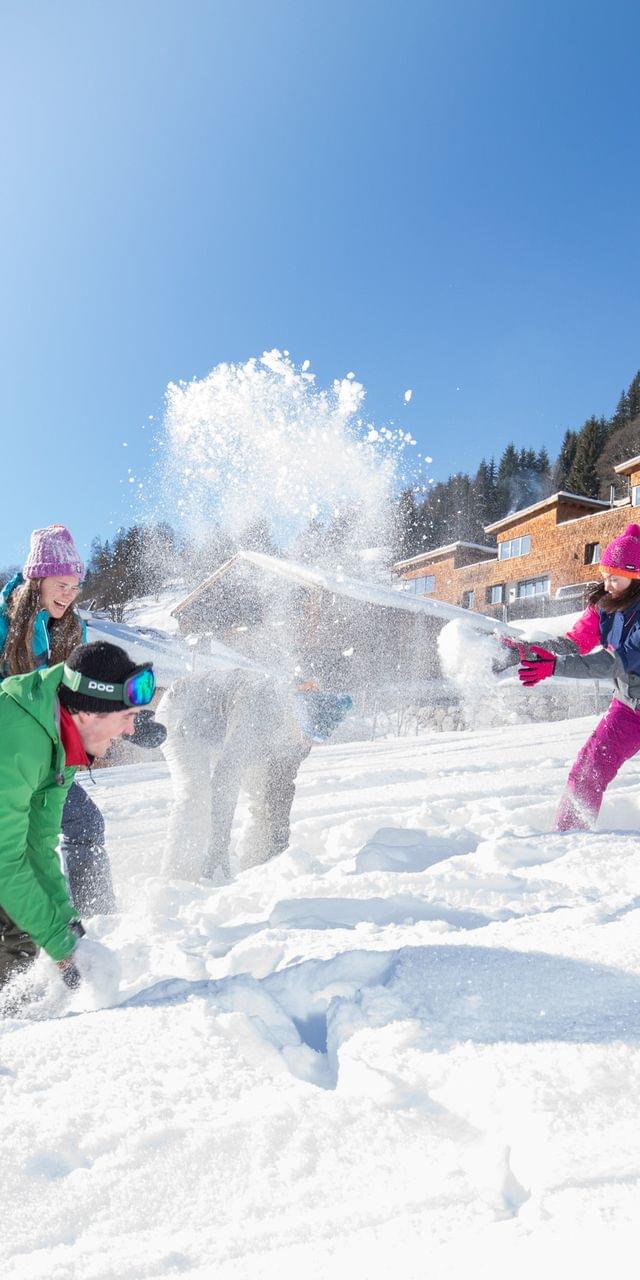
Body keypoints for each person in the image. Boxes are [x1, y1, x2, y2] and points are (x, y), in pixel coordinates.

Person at [0, 523, 165, 915]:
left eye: (75, 586)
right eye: (61, 584)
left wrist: (130, 722)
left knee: (85, 825)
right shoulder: (4, 625)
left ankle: (97, 920)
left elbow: (87, 691)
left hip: (47, 756)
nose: (69, 594)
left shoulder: (74, 629)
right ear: (36, 579)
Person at [0, 640, 156, 993]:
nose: (131, 731)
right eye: (126, 718)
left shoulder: (62, 736)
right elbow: (5, 862)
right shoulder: (18, 739)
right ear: (88, 713)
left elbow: (37, 845)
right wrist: (61, 943)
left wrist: (70, 930)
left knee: (23, 924)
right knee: (14, 917)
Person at [157, 669, 352, 880]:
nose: (306, 744)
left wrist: (279, 851)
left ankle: (255, 872)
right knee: (196, 794)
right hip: (183, 710)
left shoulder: (299, 739)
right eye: (306, 735)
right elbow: (226, 777)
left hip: (222, 728)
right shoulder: (258, 706)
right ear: (296, 714)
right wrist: (218, 845)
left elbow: (278, 792)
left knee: (262, 796)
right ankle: (176, 882)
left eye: (315, 740)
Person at [508, 522, 640, 830]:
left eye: (616, 578)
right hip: (629, 709)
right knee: (587, 769)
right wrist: (525, 651)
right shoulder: (604, 606)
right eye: (605, 575)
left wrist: (556, 667)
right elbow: (571, 643)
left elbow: (615, 663)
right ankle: (569, 836)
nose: (608, 584)